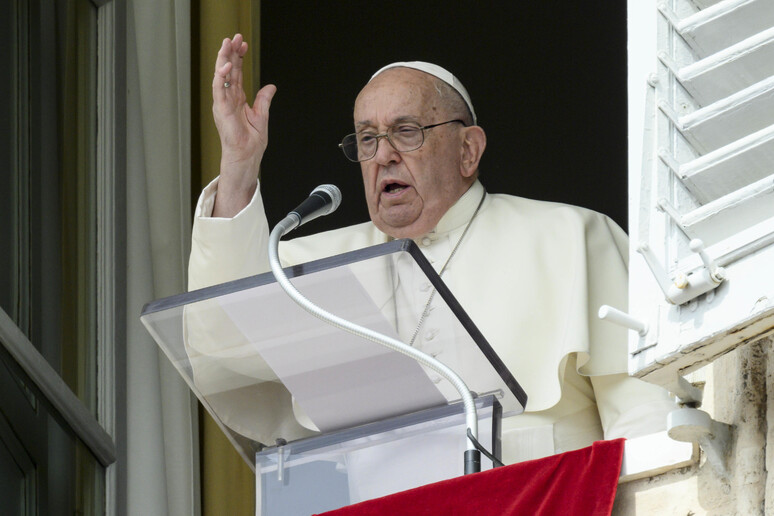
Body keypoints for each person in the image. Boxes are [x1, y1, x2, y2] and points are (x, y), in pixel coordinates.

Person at [187, 34, 675, 465]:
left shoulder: (571, 235)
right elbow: (219, 337)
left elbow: (642, 407)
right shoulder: (313, 265)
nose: (383, 155)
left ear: (468, 151)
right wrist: (239, 165)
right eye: (367, 138)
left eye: (406, 131)